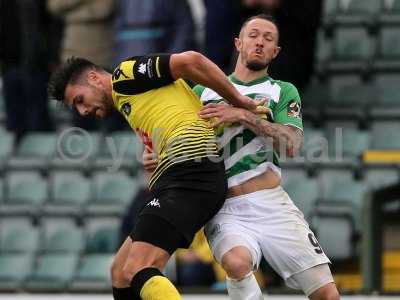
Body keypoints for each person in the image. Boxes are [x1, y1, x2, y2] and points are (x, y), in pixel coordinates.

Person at [145, 14, 340, 300]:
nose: (260, 42)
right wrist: (160, 155)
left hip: (271, 203)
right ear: (238, 43)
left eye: (268, 39)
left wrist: (242, 115)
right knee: (237, 264)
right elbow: (174, 138)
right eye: (253, 35)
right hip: (224, 204)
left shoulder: (281, 91)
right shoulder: (202, 91)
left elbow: (291, 144)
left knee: (327, 295)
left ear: (276, 52)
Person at [47, 51, 264, 300]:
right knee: (120, 272)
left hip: (191, 174)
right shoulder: (130, 99)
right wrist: (156, 153)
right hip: (183, 176)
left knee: (137, 268)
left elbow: (191, 61)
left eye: (80, 100)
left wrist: (238, 100)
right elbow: (181, 113)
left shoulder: (124, 75)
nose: (83, 111)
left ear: (95, 78)